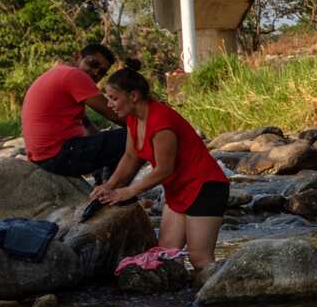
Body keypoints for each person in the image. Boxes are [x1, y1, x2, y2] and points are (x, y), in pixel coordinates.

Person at [90, 59, 229, 270]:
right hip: (178, 190)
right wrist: (109, 185)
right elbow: (130, 157)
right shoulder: (133, 119)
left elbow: (165, 169)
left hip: (205, 188)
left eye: (113, 98)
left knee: (199, 259)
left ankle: (218, 298)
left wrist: (129, 191)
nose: (109, 105)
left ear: (134, 96)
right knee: (165, 254)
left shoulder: (161, 122)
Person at [21, 43, 127, 180]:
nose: (95, 73)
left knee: (109, 138)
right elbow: (113, 114)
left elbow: (87, 126)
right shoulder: (75, 75)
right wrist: (150, 127)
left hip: (44, 158)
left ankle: (103, 183)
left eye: (101, 72)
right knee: (134, 136)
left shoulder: (59, 72)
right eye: (93, 64)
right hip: (58, 156)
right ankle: (114, 194)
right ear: (78, 57)